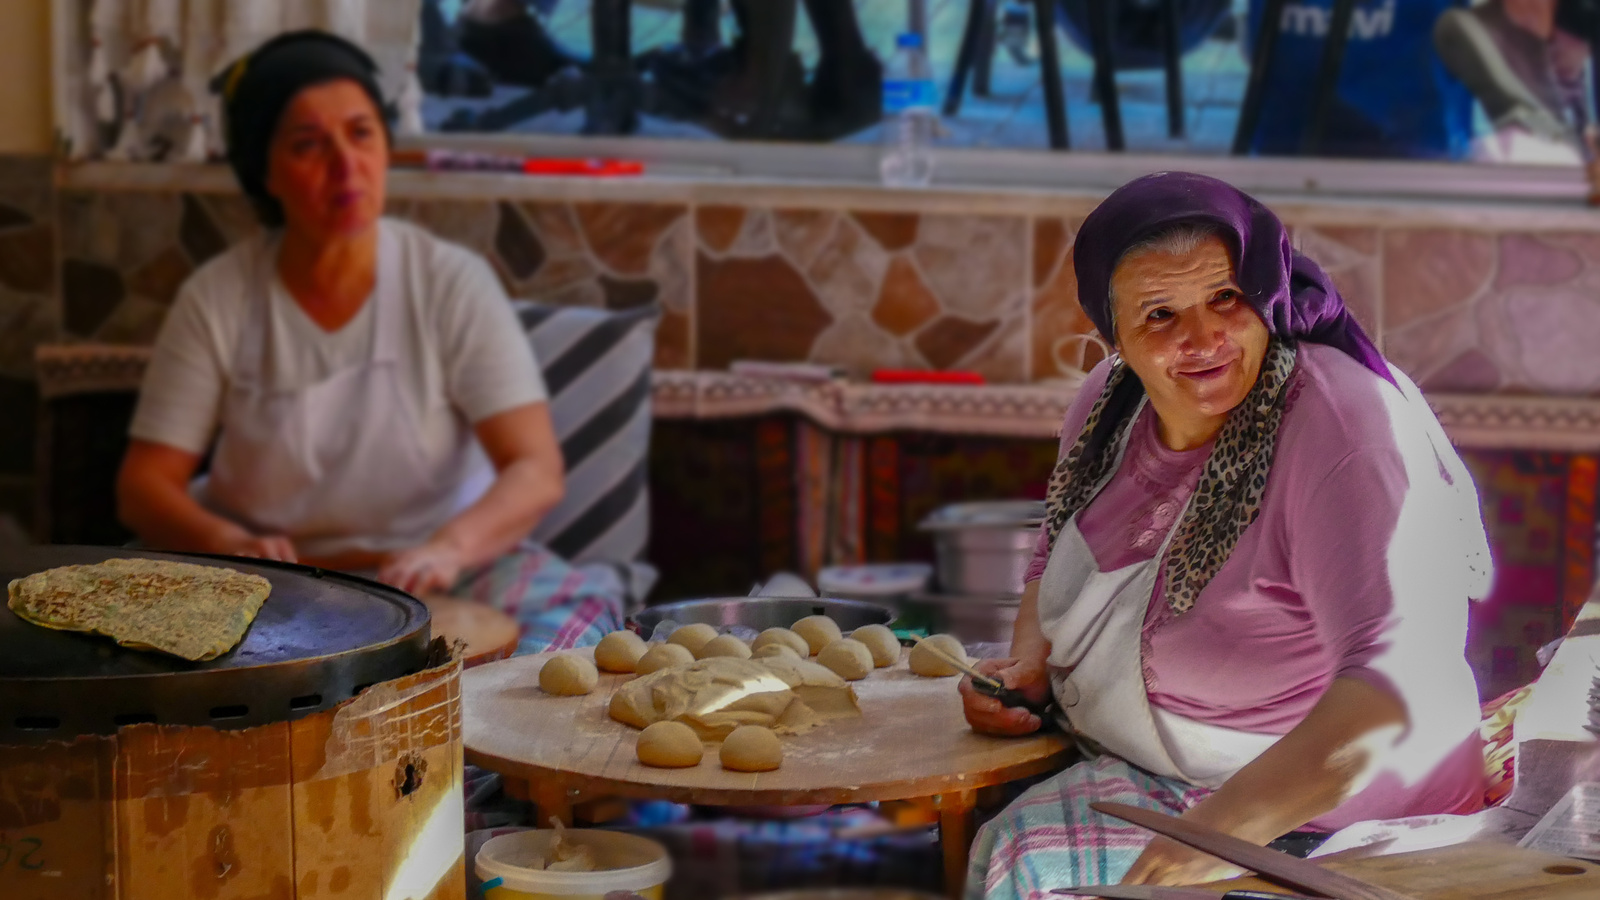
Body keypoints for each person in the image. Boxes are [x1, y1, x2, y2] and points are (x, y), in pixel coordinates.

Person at [961, 172, 1492, 897]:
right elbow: (1058, 549)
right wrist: (1027, 665)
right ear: (1112, 335)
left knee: (1032, 863)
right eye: (1159, 315)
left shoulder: (1343, 432)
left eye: (1226, 298)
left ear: (1266, 294)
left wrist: (1214, 838)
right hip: (1163, 779)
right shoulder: (1106, 406)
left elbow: (1402, 689)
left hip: (1327, 822)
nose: (1203, 340)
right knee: (993, 830)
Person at [117, 32, 622, 649]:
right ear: (264, 172)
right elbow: (144, 486)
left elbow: (535, 468)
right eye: (308, 144)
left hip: (448, 570)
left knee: (581, 632)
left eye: (361, 133)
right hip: (267, 580)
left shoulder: (448, 282)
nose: (344, 164)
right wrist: (230, 544)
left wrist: (450, 548)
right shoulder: (219, 297)